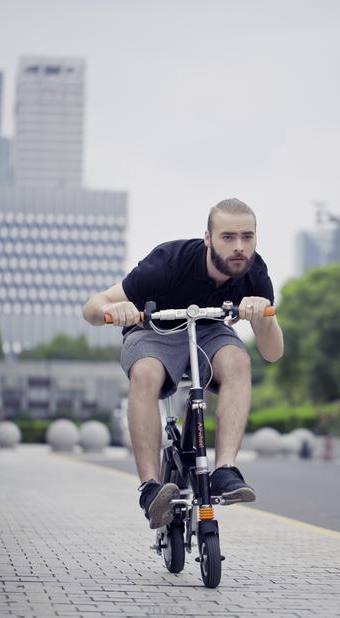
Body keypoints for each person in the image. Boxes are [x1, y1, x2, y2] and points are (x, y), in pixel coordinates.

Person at [83, 198, 284, 529]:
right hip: (154, 330)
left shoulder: (254, 272)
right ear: (207, 237)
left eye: (247, 237)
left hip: (208, 331)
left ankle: (225, 470)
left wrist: (261, 318)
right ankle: (150, 487)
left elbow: (273, 352)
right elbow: (92, 307)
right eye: (228, 237)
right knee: (145, 373)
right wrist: (113, 309)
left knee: (237, 361)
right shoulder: (168, 262)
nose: (239, 247)